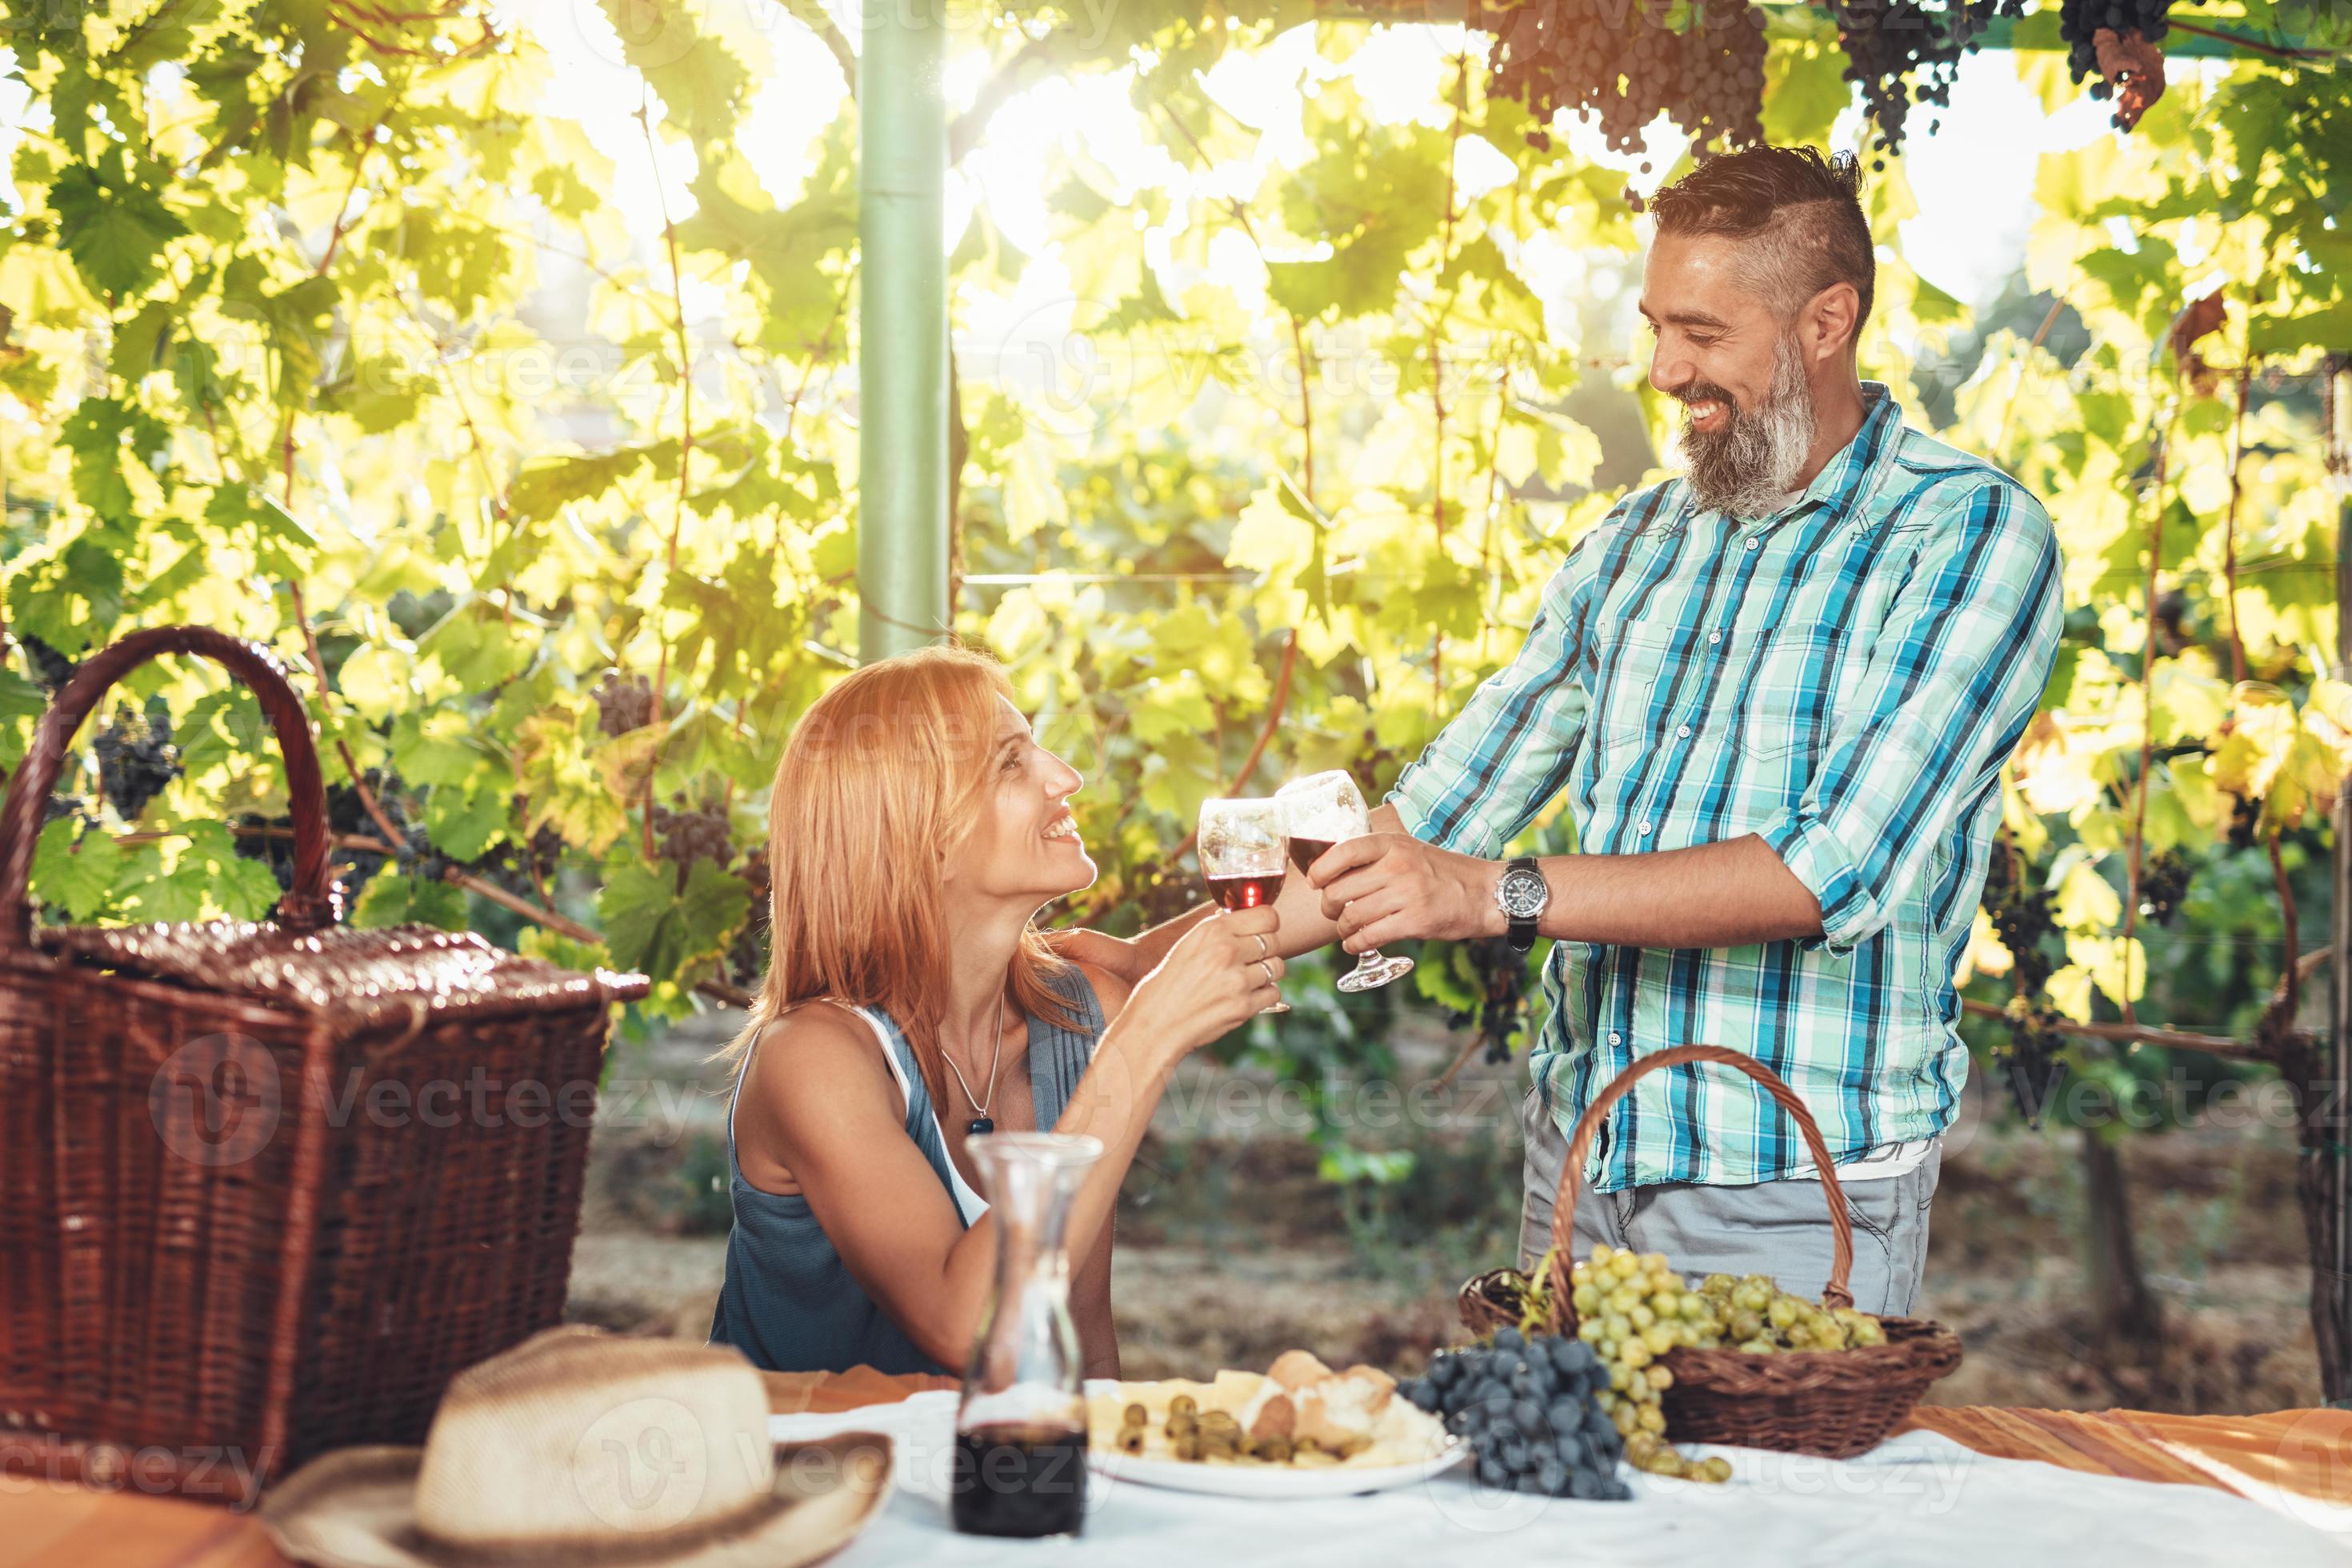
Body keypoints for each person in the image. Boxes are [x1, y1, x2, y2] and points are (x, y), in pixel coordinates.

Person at [1071, 146, 2062, 1314]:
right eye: (1655, 327)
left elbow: (1825, 872)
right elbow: (1439, 815)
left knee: (1782, 1502)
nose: (1662, 369)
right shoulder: (1634, 545)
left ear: (1826, 322)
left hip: (1798, 1188)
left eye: (1701, 333)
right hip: (1581, 1166)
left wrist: (1499, 895)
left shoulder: (1968, 538)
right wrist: (1159, 963)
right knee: (1557, 1485)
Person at [709, 646, 1284, 1377]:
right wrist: (1147, 1038)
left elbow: (1078, 1332)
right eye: (1011, 763)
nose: (1066, 777)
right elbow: (971, 1328)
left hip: (1003, 1480)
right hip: (814, 1484)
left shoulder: (1075, 1017)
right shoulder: (816, 1059)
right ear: (921, 835)